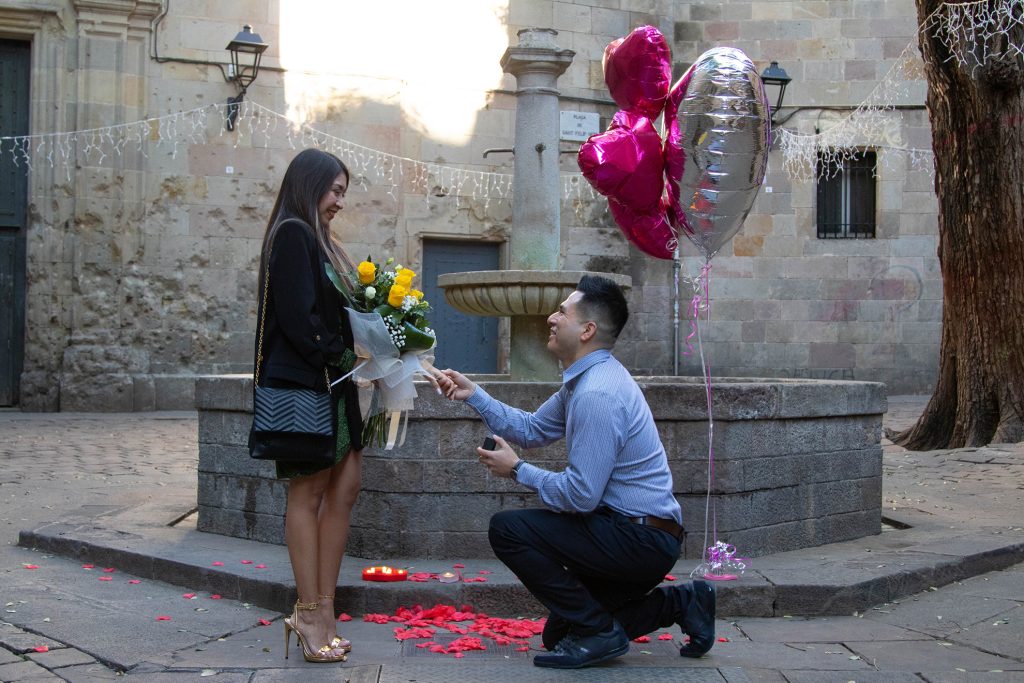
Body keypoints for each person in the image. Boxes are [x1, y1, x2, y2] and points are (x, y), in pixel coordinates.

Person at [438, 274, 716, 670]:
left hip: (639, 538)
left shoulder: (597, 393)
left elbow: (581, 496)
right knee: (559, 637)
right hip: (633, 533)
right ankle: (682, 602)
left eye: (562, 312)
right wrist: (475, 395)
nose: (551, 318)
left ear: (587, 330)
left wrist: (517, 469)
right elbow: (533, 429)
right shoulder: (585, 381)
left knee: (508, 529)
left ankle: (600, 633)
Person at [252, 148, 363, 663]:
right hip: (309, 387)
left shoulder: (318, 239)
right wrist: (345, 351)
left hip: (335, 385)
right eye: (335, 189)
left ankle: (326, 607)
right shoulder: (294, 233)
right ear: (310, 184)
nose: (340, 200)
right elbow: (297, 319)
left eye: (343, 191)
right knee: (309, 495)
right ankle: (310, 611)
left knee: (344, 490)